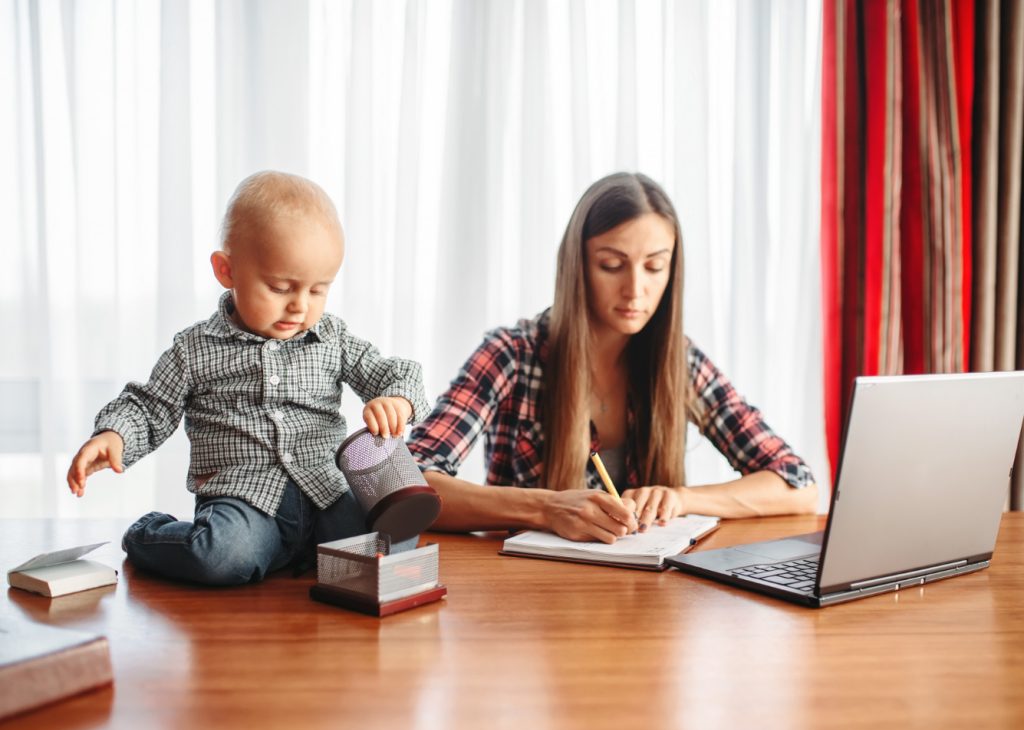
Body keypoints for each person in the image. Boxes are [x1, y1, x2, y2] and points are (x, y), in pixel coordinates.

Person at [408, 172, 817, 544]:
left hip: (650, 604)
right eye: (612, 265)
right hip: (532, 602)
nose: (635, 289)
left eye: (655, 267)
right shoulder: (512, 354)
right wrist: (545, 508)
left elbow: (797, 486)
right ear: (578, 265)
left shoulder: (680, 364)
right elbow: (406, 483)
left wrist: (682, 499)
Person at [67, 171, 429, 585]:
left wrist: (397, 400)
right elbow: (150, 407)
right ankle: (148, 533)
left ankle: (306, 556)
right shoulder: (194, 349)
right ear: (227, 270)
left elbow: (396, 372)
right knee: (222, 557)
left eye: (317, 291)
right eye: (280, 287)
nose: (299, 306)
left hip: (325, 493)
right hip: (246, 500)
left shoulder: (333, 338)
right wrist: (114, 435)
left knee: (394, 538)